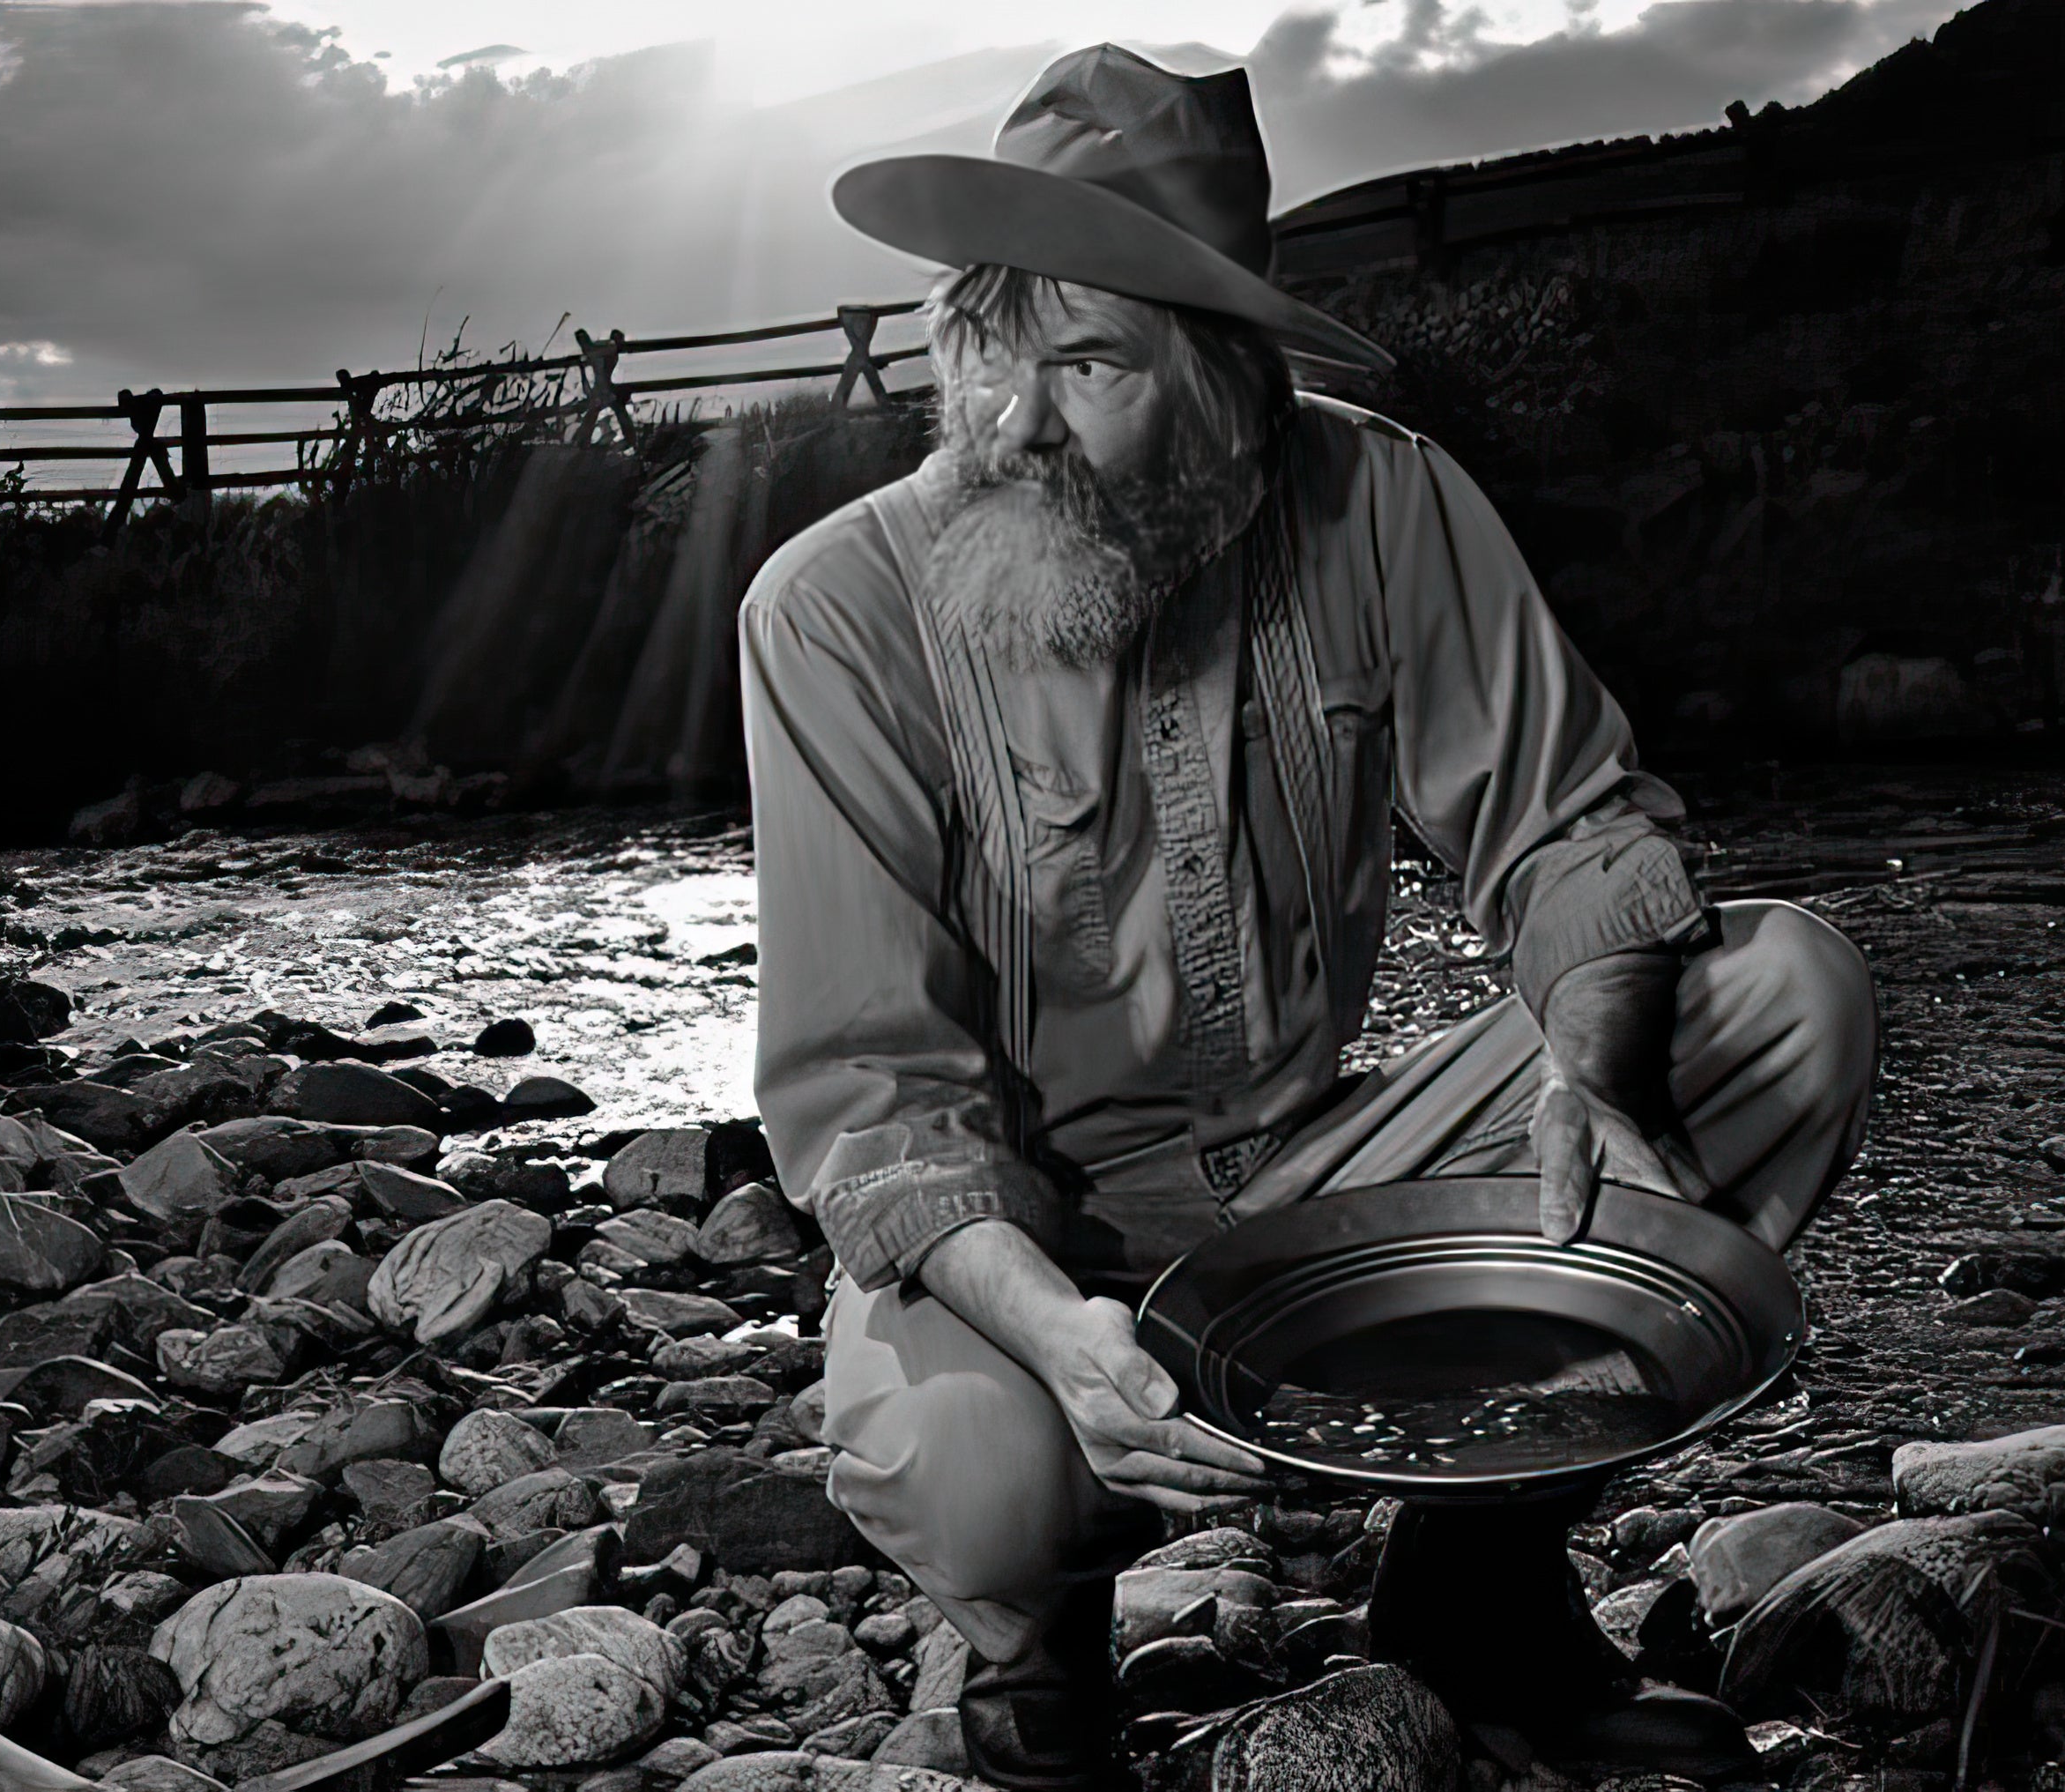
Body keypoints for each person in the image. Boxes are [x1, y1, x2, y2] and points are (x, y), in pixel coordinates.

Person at [736, 43, 1879, 1792]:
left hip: (1309, 1205)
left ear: (1223, 378)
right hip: (1021, 1255)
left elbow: (1567, 831)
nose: (1022, 421)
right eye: (993, 349)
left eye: (1094, 364)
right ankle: (1037, 1648)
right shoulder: (828, 617)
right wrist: (1058, 1334)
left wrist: (1592, 1071)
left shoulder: (1384, 499)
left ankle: (1479, 1584)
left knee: (1790, 989)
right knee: (981, 1481)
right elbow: (874, 1089)